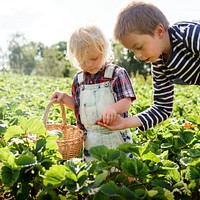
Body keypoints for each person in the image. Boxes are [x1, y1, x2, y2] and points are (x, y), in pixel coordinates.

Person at [96, 0, 200, 132]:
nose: (137, 56)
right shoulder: (159, 63)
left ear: (159, 32)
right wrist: (124, 122)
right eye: (132, 51)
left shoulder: (189, 34)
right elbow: (162, 108)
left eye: (139, 47)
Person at [50, 24, 136, 161]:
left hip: (116, 134)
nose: (89, 64)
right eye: (83, 61)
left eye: (94, 58)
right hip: (91, 139)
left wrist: (113, 108)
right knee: (97, 175)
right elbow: (79, 107)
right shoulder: (79, 80)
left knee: (124, 170)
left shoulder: (116, 74)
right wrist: (64, 98)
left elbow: (126, 101)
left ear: (104, 50)